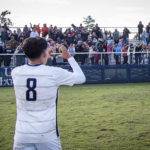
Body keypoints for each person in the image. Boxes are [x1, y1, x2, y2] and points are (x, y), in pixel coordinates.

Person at [11, 37, 86, 150]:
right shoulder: (53, 73)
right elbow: (81, 78)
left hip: (22, 135)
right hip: (46, 135)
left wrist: (44, 55)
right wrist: (69, 58)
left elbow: (36, 70)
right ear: (43, 52)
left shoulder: (16, 72)